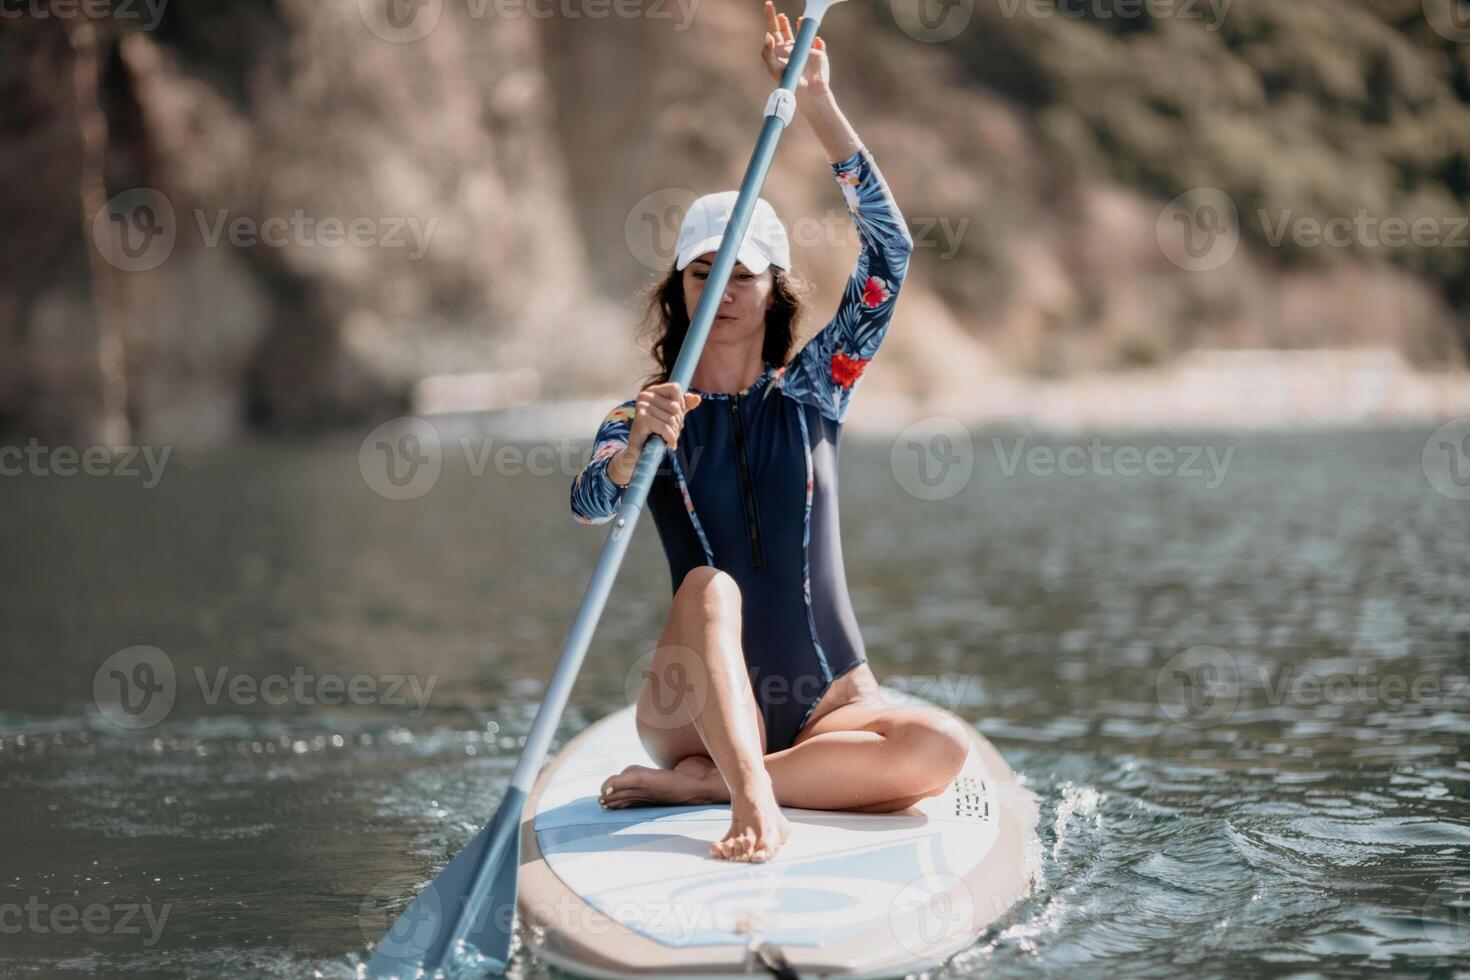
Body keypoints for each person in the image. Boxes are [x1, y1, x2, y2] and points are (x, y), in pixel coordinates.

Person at [569, 1, 969, 864]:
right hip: (689, 709)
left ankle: (727, 780)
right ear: (680, 288)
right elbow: (588, 503)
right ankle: (751, 796)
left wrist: (818, 102)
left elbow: (890, 256)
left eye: (743, 274)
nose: (726, 290)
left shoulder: (816, 392)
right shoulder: (646, 413)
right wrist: (640, 441)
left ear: (774, 288)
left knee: (941, 750)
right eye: (706, 272)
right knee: (708, 588)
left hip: (834, 706)